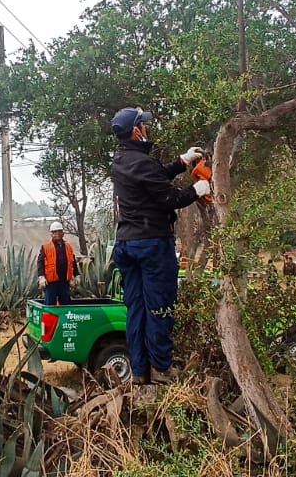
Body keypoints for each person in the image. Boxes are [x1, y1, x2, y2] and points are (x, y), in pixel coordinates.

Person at [110, 107, 209, 384]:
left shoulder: (121, 160)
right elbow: (168, 198)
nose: (147, 128)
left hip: (127, 244)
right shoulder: (143, 163)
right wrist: (196, 191)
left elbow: (153, 178)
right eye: (144, 124)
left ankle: (140, 370)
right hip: (152, 244)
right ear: (136, 131)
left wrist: (182, 162)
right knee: (160, 306)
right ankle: (160, 368)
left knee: (137, 309)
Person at [37, 221, 79, 306]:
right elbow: (40, 262)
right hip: (51, 283)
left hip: (64, 282)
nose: (57, 234)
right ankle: (48, 319)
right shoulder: (46, 247)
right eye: (54, 232)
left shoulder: (68, 247)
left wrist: (77, 275)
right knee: (50, 305)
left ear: (63, 233)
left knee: (65, 304)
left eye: (59, 231)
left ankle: (64, 319)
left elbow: (73, 262)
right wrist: (41, 277)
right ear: (51, 234)